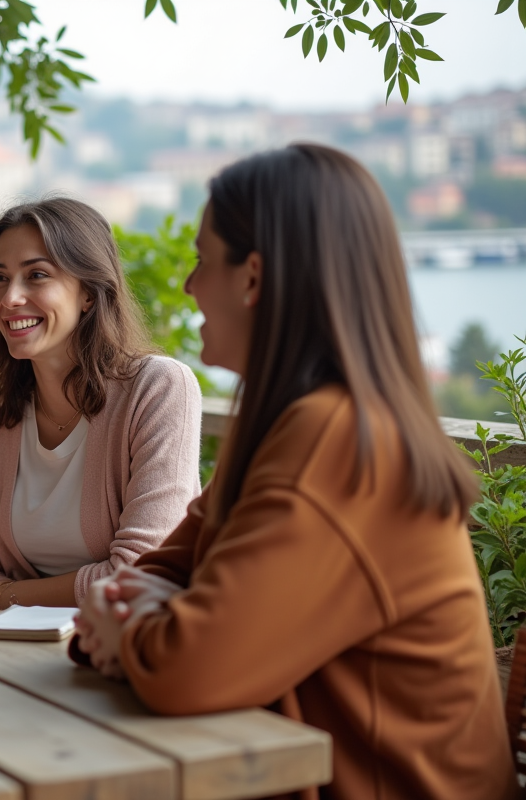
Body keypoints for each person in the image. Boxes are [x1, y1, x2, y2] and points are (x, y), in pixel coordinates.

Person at [74, 144, 516, 799]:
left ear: (252, 277)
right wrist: (155, 617)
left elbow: (189, 669)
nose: (190, 285)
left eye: (202, 260)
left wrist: (151, 627)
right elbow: (153, 581)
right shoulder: (291, 425)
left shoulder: (338, 442)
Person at [0, 197, 202, 609]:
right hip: (11, 651)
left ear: (88, 292)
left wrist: (9, 596)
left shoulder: (158, 389)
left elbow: (142, 570)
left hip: (132, 650)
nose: (10, 297)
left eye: (36, 275)